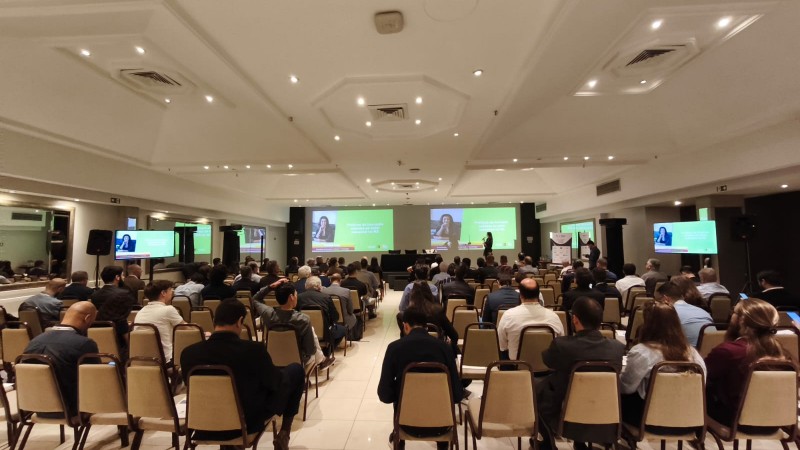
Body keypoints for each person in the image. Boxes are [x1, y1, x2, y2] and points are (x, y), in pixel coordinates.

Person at [181, 300, 305, 450]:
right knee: (295, 371)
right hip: (246, 423)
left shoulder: (188, 353)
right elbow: (274, 383)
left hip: (201, 424)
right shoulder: (253, 350)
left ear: (214, 321)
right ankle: (284, 432)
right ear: (240, 321)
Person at [535, 297, 625, 450]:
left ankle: (546, 443)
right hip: (605, 409)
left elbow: (548, 362)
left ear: (575, 319)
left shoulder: (562, 345)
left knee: (539, 387)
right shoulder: (616, 348)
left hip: (565, 411)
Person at [378, 308, 463, 450]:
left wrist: (400, 393)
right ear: (426, 326)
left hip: (406, 424)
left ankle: (398, 438)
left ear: (405, 326)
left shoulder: (394, 348)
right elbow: (457, 394)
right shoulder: (444, 348)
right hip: (441, 424)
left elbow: (384, 394)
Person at [705, 299, 792, 426]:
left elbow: (701, 376)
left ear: (741, 321)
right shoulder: (781, 353)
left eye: (733, 312)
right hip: (777, 420)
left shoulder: (728, 351)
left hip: (735, 421)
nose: (731, 316)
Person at [620, 301, 705, 426]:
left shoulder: (642, 352)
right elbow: (702, 385)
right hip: (688, 420)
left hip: (647, 421)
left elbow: (626, 388)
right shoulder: (693, 354)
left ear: (648, 325)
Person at [22, 301, 100, 417]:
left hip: (34, 407)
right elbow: (94, 380)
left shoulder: (34, 342)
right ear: (87, 318)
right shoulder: (84, 344)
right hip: (72, 409)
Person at [261, 282, 330, 366]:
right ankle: (321, 359)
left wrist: (269, 287)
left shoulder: (267, 314)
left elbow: (254, 299)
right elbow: (310, 350)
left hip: (273, 359)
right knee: (311, 332)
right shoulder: (303, 319)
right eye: (296, 294)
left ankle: (321, 358)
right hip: (298, 361)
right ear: (291, 297)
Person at [498, 278, 564, 360]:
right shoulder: (553, 316)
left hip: (516, 367)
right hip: (548, 369)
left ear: (520, 295)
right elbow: (560, 343)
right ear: (538, 295)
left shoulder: (508, 315)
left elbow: (502, 346)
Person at [133, 279, 185, 363]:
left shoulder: (140, 311)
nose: (172, 292)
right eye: (170, 290)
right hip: (165, 359)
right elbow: (187, 328)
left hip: (142, 358)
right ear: (163, 293)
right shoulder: (168, 309)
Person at [399, 283, 459, 354]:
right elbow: (454, 335)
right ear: (429, 293)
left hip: (411, 354)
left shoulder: (408, 313)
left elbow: (403, 339)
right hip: (437, 354)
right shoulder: (438, 310)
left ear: (413, 295)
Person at [91, 265, 135, 356]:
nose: (123, 277)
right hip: (119, 336)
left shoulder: (95, 294)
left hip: (98, 332)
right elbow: (120, 320)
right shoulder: (123, 294)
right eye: (122, 275)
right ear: (117, 277)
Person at [657, 280, 713, 347]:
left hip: (687, 354)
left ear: (666, 299)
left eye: (658, 300)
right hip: (712, 352)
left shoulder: (669, 313)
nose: (657, 303)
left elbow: (659, 339)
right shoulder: (703, 311)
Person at [297, 276, 346, 349]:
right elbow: (335, 317)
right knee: (343, 329)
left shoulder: (298, 297)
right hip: (325, 332)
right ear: (319, 286)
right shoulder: (326, 297)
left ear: (305, 286)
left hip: (304, 331)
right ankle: (328, 350)